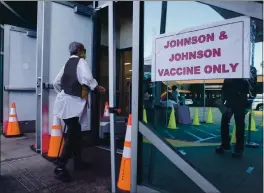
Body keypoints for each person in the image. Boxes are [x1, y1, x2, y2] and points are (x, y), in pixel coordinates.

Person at [52, 42, 105, 182]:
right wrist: (96, 87)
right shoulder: (80, 61)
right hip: (72, 105)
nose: (84, 53)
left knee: (76, 132)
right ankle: (60, 167)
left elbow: (56, 82)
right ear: (79, 50)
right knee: (73, 136)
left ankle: (78, 162)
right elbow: (87, 78)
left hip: (64, 104)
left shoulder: (67, 64)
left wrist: (64, 93)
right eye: (83, 50)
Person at [215, 78, 250, 158]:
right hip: (230, 102)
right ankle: (225, 144)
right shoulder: (229, 77)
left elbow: (250, 90)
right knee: (224, 124)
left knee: (239, 126)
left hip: (240, 102)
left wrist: (247, 105)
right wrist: (222, 103)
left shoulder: (244, 76)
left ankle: (239, 149)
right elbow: (224, 90)